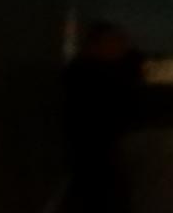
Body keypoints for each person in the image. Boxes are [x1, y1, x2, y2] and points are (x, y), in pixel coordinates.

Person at [62, 21, 141, 213]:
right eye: (116, 41)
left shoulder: (87, 71)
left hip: (97, 151)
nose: (122, 46)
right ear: (98, 44)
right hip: (95, 152)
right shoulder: (90, 75)